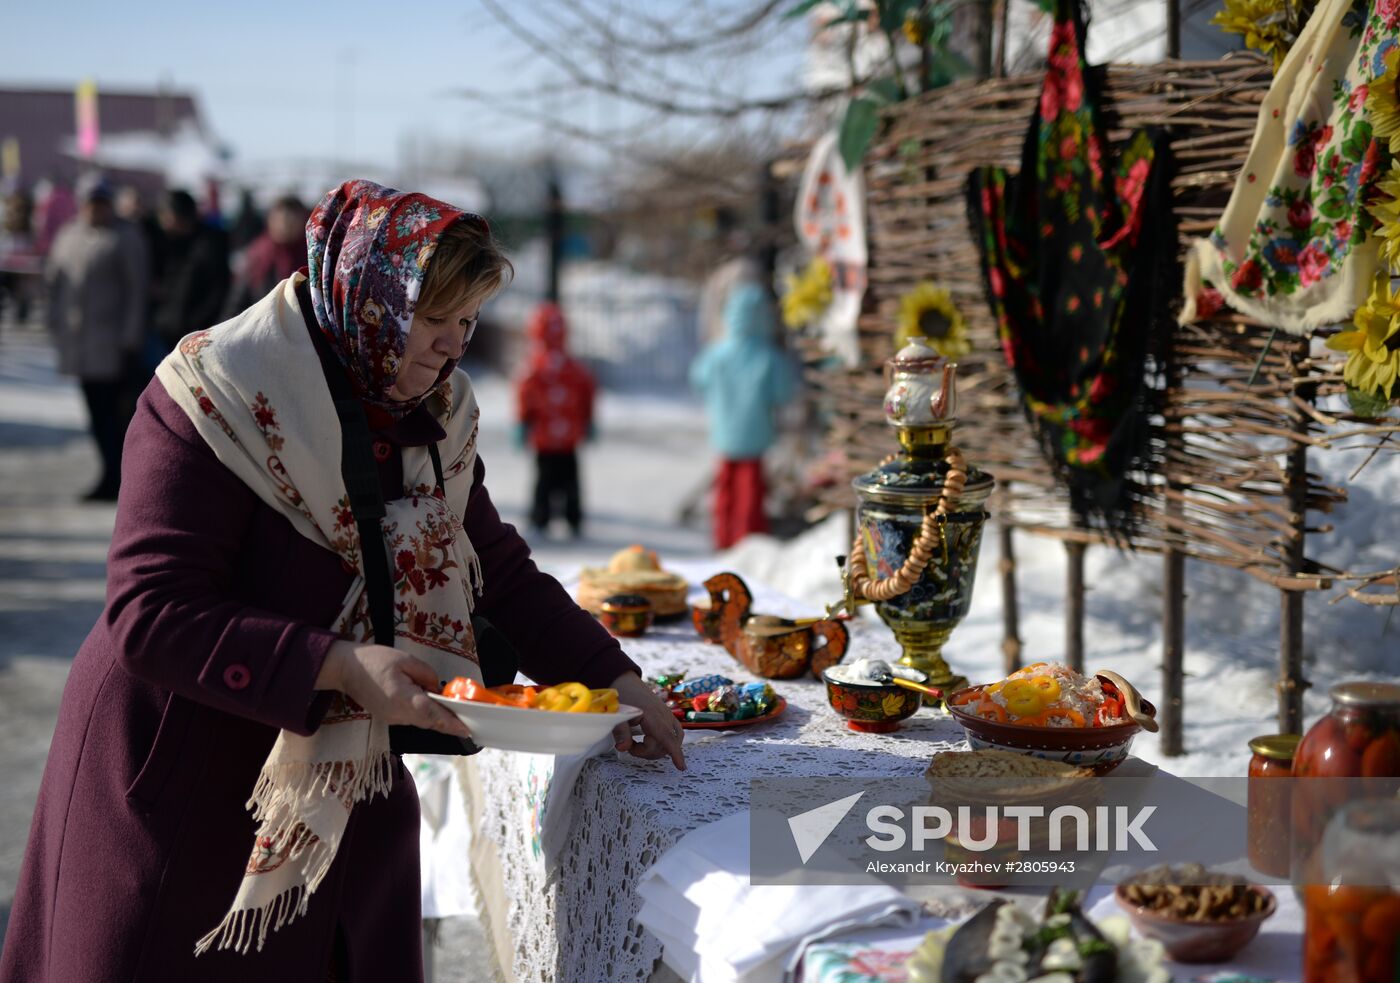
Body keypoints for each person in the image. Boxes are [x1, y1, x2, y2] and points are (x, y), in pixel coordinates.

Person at [0, 179, 684, 983]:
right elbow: (150, 613)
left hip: (344, 771)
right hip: (186, 767)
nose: (452, 346)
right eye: (434, 319)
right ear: (370, 295)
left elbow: (496, 567)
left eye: (466, 322)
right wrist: (339, 665)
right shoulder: (217, 393)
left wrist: (614, 678)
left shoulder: (431, 414)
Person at [43, 174, 149, 501]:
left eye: (101, 202)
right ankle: (108, 474)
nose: (96, 209)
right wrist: (54, 321)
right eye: (90, 202)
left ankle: (117, 479)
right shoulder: (69, 235)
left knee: (113, 416)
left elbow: (137, 290)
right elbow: (55, 283)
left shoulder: (125, 237)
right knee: (94, 411)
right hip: (80, 343)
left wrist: (130, 336)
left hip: (111, 342)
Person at [689, 282, 796, 549]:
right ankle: (747, 543)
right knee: (751, 493)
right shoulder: (769, 357)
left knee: (725, 490)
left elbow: (698, 378)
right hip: (756, 433)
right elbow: (784, 393)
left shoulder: (716, 353)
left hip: (724, 433)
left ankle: (723, 538)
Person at [515, 301, 596, 537]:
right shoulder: (568, 367)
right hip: (562, 436)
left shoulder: (534, 367)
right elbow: (587, 391)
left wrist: (522, 420)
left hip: (549, 436)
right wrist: (588, 419)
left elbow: (524, 394)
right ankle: (565, 517)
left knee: (547, 480)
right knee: (563, 480)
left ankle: (546, 517)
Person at [150, 187, 230, 355]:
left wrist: (196, 326)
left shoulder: (210, 244)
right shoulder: (163, 241)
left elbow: (218, 292)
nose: (162, 220)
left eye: (166, 215)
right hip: (166, 331)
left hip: (197, 337)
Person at [224, 194, 309, 315]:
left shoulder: (312, 259)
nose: (284, 226)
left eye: (291, 221)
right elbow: (237, 302)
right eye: (279, 220)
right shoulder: (258, 255)